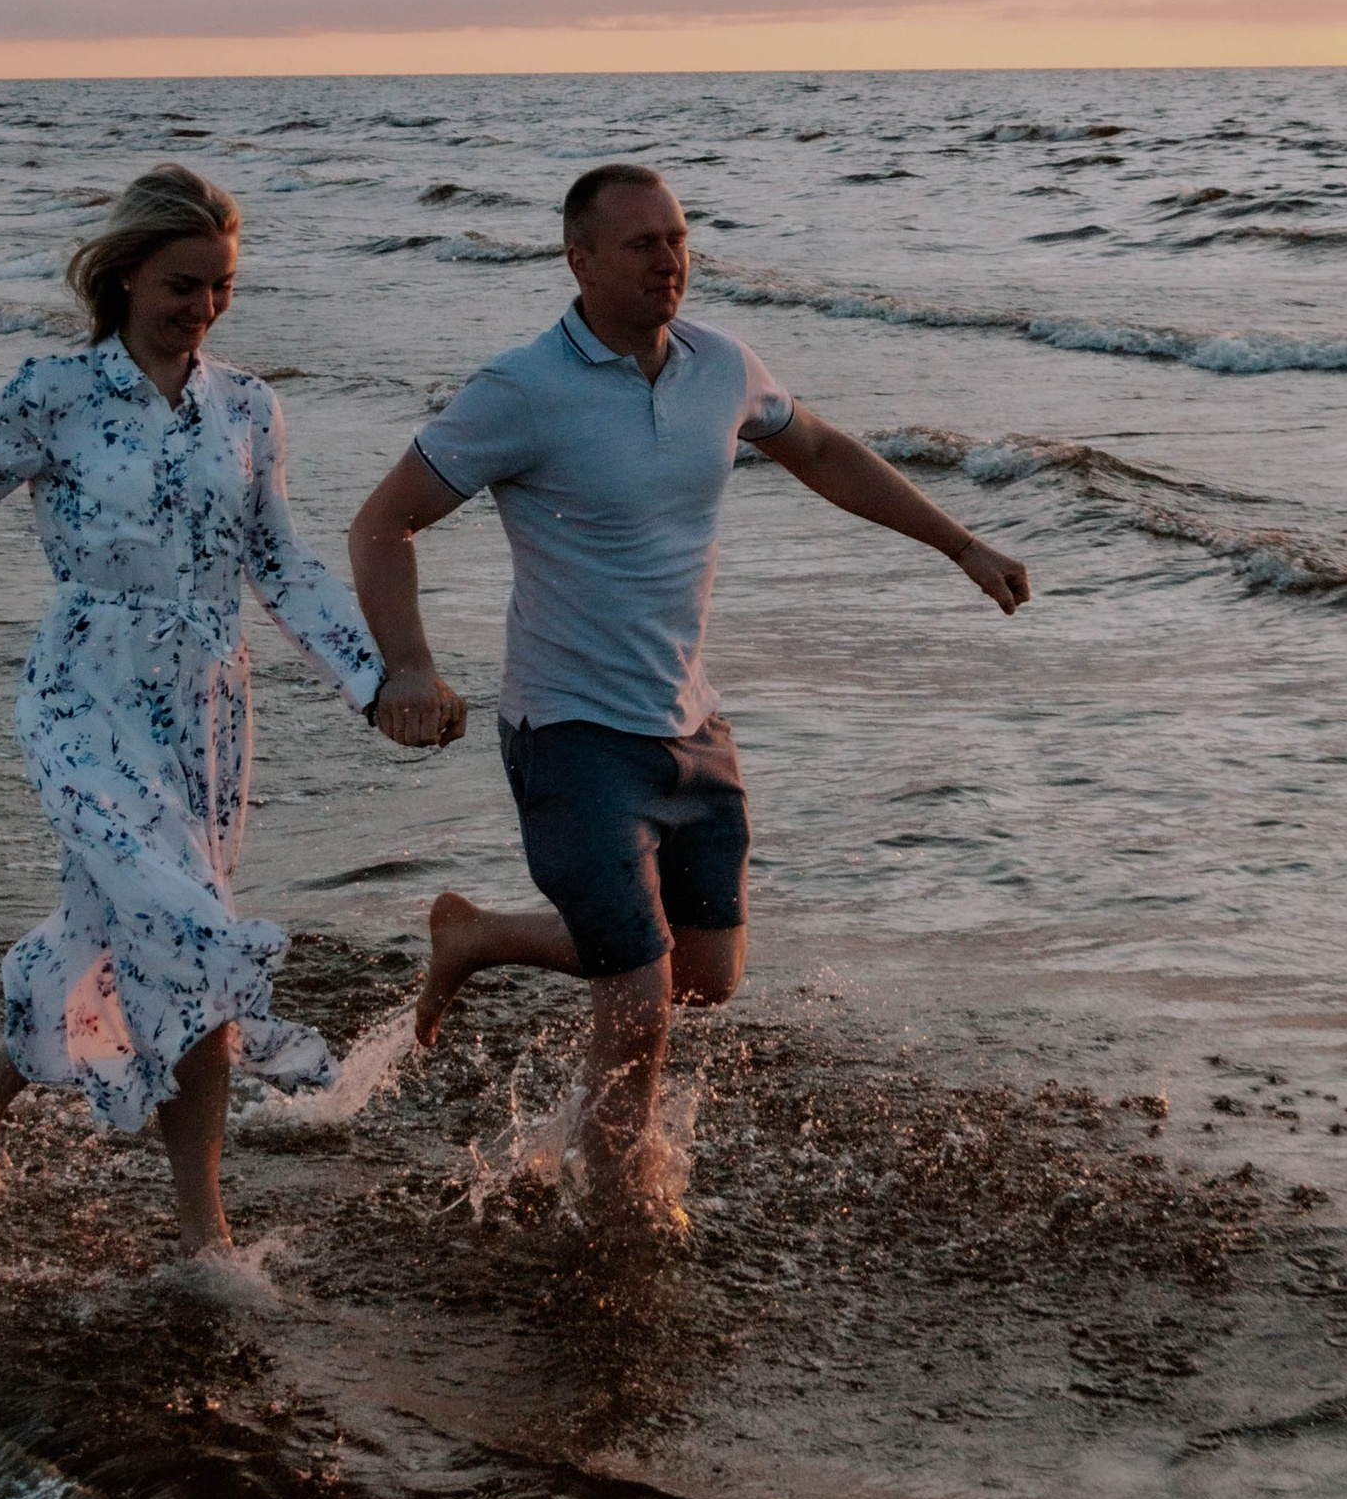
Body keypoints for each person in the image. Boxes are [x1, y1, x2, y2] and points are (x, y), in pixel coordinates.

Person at [0, 164, 458, 1296]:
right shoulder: (54, 392)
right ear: (121, 275)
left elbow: (278, 561)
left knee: (128, 932)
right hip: (85, 694)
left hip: (210, 715)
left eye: (220, 287)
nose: (202, 308)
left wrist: (378, 685)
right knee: (191, 936)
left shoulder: (249, 408)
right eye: (182, 284)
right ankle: (202, 1237)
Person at [346, 161, 1031, 1232]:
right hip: (569, 730)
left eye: (677, 237)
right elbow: (382, 522)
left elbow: (818, 449)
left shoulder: (720, 363)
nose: (670, 259)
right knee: (639, 1006)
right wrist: (410, 663)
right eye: (641, 244)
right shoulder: (521, 389)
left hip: (689, 722)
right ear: (578, 260)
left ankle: (478, 938)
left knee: (706, 974)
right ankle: (622, 1224)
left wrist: (960, 543)